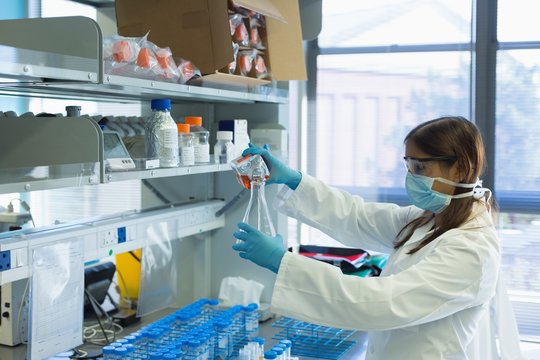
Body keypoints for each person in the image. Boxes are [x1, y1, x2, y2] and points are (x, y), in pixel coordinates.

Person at [232, 116, 524, 360]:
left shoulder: (471, 249)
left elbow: (380, 302)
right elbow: (357, 216)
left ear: (459, 168)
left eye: (420, 167)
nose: (411, 176)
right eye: (408, 165)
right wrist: (294, 180)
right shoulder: (429, 219)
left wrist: (281, 262)